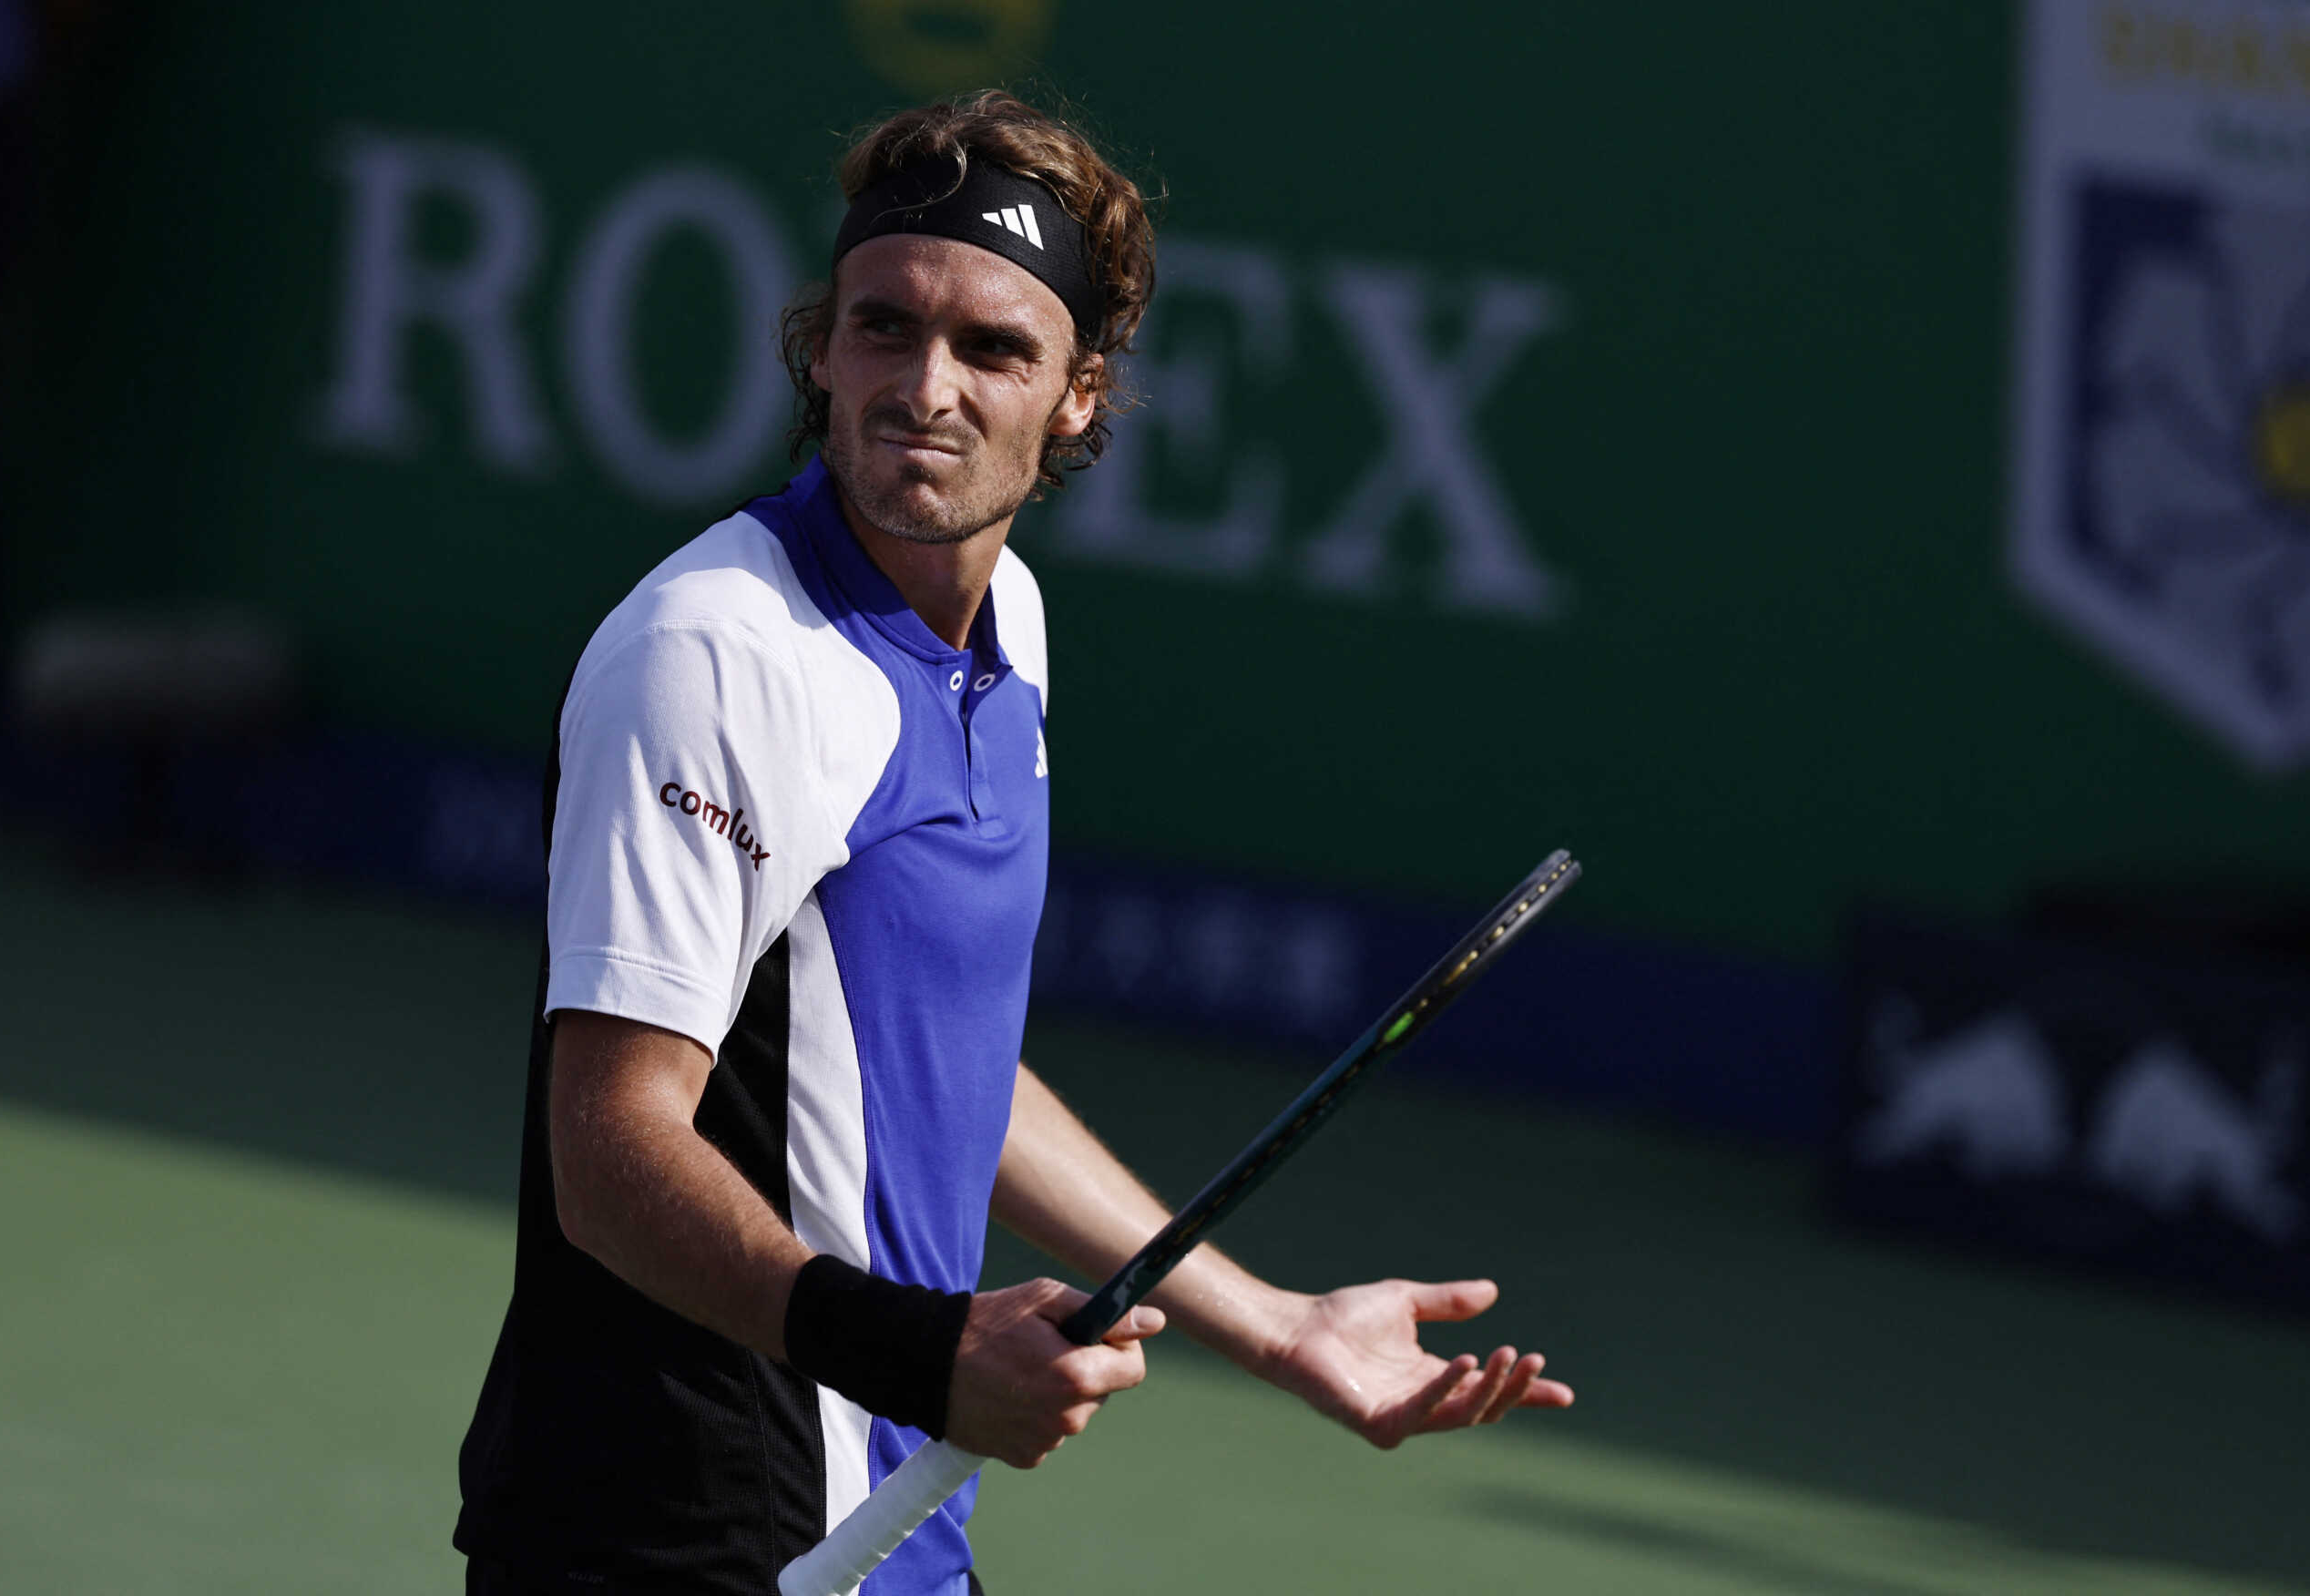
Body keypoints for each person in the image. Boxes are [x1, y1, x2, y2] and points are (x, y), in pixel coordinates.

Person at [454, 90, 1573, 1596]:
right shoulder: (716, 655)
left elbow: (938, 1060)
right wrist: (919, 1348)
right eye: (882, 328)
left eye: (992, 348)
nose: (926, 386)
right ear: (819, 349)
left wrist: (1274, 1324)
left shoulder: (1012, 632)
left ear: (1079, 396)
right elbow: (610, 1149)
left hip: (890, 1522)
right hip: (674, 1533)